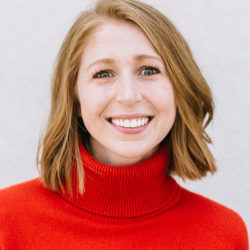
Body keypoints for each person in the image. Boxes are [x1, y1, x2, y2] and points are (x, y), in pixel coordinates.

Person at [0, 0, 248, 249]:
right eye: (104, 73)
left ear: (180, 90)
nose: (129, 96)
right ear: (74, 98)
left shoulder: (223, 233)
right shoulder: (7, 221)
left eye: (149, 70)